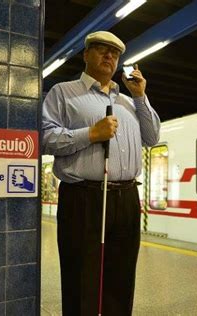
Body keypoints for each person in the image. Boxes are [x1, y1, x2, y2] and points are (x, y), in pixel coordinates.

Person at [42, 31, 160, 315]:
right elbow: (44, 138)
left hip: (127, 197)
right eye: (101, 50)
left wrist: (141, 96)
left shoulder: (129, 102)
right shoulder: (64, 92)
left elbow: (153, 136)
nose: (109, 56)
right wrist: (91, 134)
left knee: (122, 278)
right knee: (81, 275)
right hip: (84, 198)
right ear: (86, 55)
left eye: (115, 54)